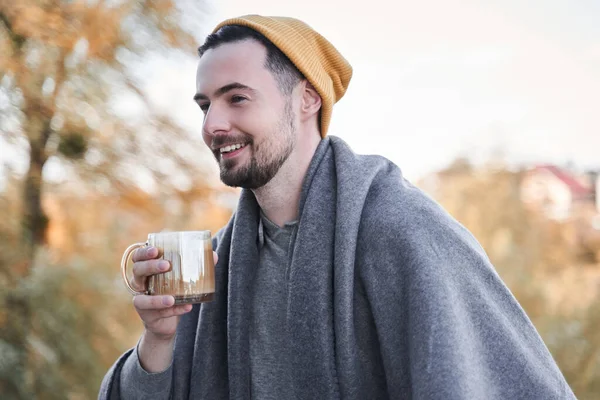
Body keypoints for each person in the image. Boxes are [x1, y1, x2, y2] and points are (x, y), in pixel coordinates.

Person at [99, 14, 575, 400]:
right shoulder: (220, 260)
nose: (213, 125)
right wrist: (158, 339)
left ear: (307, 99)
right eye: (205, 106)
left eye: (237, 99)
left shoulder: (401, 229)